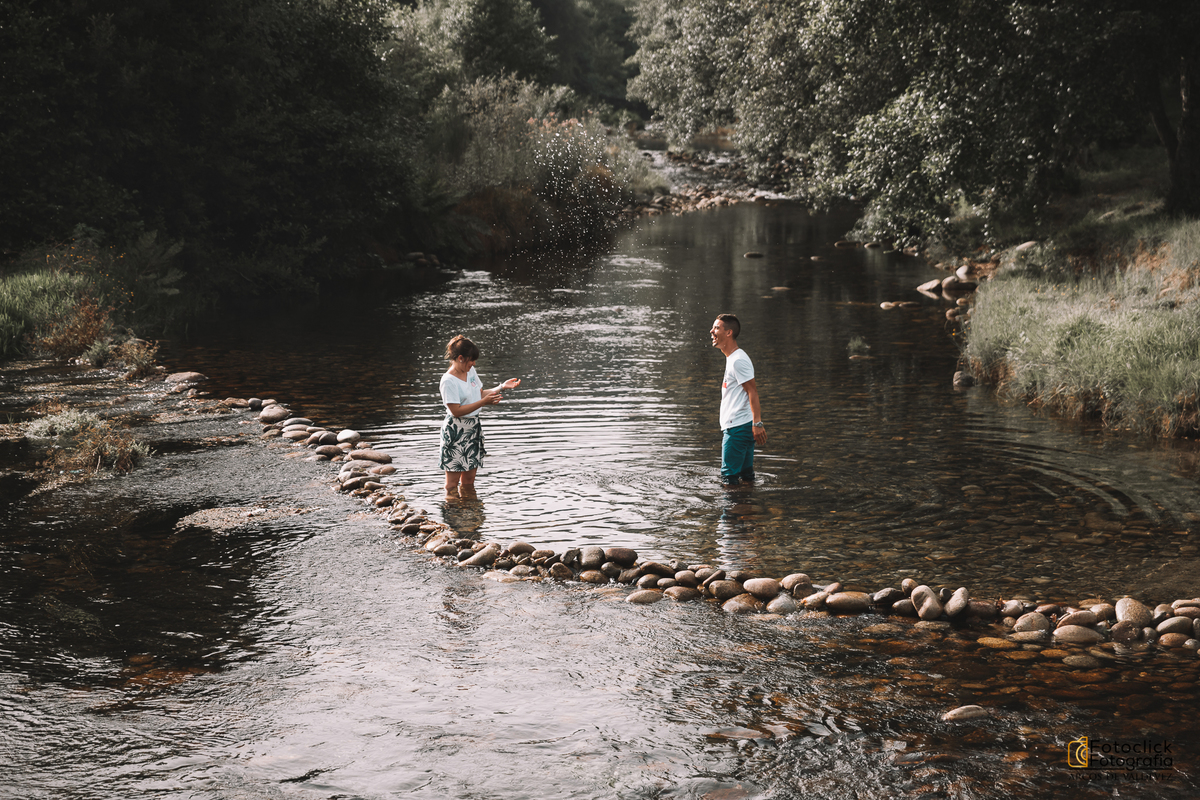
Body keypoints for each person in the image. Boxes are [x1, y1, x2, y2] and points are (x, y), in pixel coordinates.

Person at [438, 335, 520, 498]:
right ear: (460, 358)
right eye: (471, 360)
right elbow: (456, 411)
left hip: (473, 428)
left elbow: (480, 393)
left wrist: (501, 387)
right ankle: (451, 512)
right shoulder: (448, 381)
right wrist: (483, 402)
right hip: (456, 431)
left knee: (469, 481)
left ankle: (469, 510)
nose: (474, 364)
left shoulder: (470, 371)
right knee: (452, 484)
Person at [710, 313, 766, 486]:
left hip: (737, 428)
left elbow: (752, 392)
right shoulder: (733, 358)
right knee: (746, 476)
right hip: (742, 426)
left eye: (716, 328)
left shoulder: (738, 360)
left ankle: (731, 505)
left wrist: (757, 424)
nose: (711, 331)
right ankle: (747, 503)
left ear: (729, 333)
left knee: (728, 477)